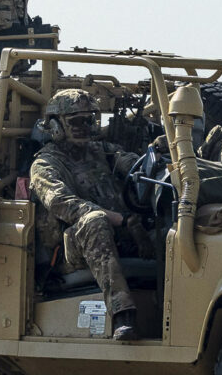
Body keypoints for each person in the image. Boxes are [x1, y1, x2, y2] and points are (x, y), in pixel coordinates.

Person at [29, 88, 144, 340]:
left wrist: (147, 169)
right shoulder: (45, 164)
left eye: (89, 120)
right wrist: (117, 218)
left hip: (119, 236)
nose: (84, 126)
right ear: (56, 126)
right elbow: (63, 204)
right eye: (76, 121)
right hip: (71, 250)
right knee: (94, 221)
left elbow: (133, 164)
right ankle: (122, 314)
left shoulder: (100, 151)